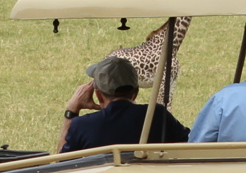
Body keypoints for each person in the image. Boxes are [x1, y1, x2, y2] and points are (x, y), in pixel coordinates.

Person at [59, 56, 190, 153]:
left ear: (98, 95)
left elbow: (60, 165)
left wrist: (72, 111)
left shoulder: (82, 125)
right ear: (136, 92)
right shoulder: (157, 115)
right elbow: (191, 144)